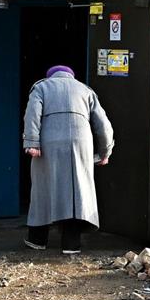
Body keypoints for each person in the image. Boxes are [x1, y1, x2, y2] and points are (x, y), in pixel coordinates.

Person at [22, 65, 114, 254]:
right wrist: (105, 151)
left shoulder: (41, 87)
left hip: (49, 142)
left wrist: (32, 142)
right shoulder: (86, 90)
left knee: (43, 188)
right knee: (76, 190)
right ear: (71, 76)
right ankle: (71, 244)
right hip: (81, 142)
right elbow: (103, 124)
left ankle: (37, 240)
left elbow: (32, 114)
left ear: (51, 76)